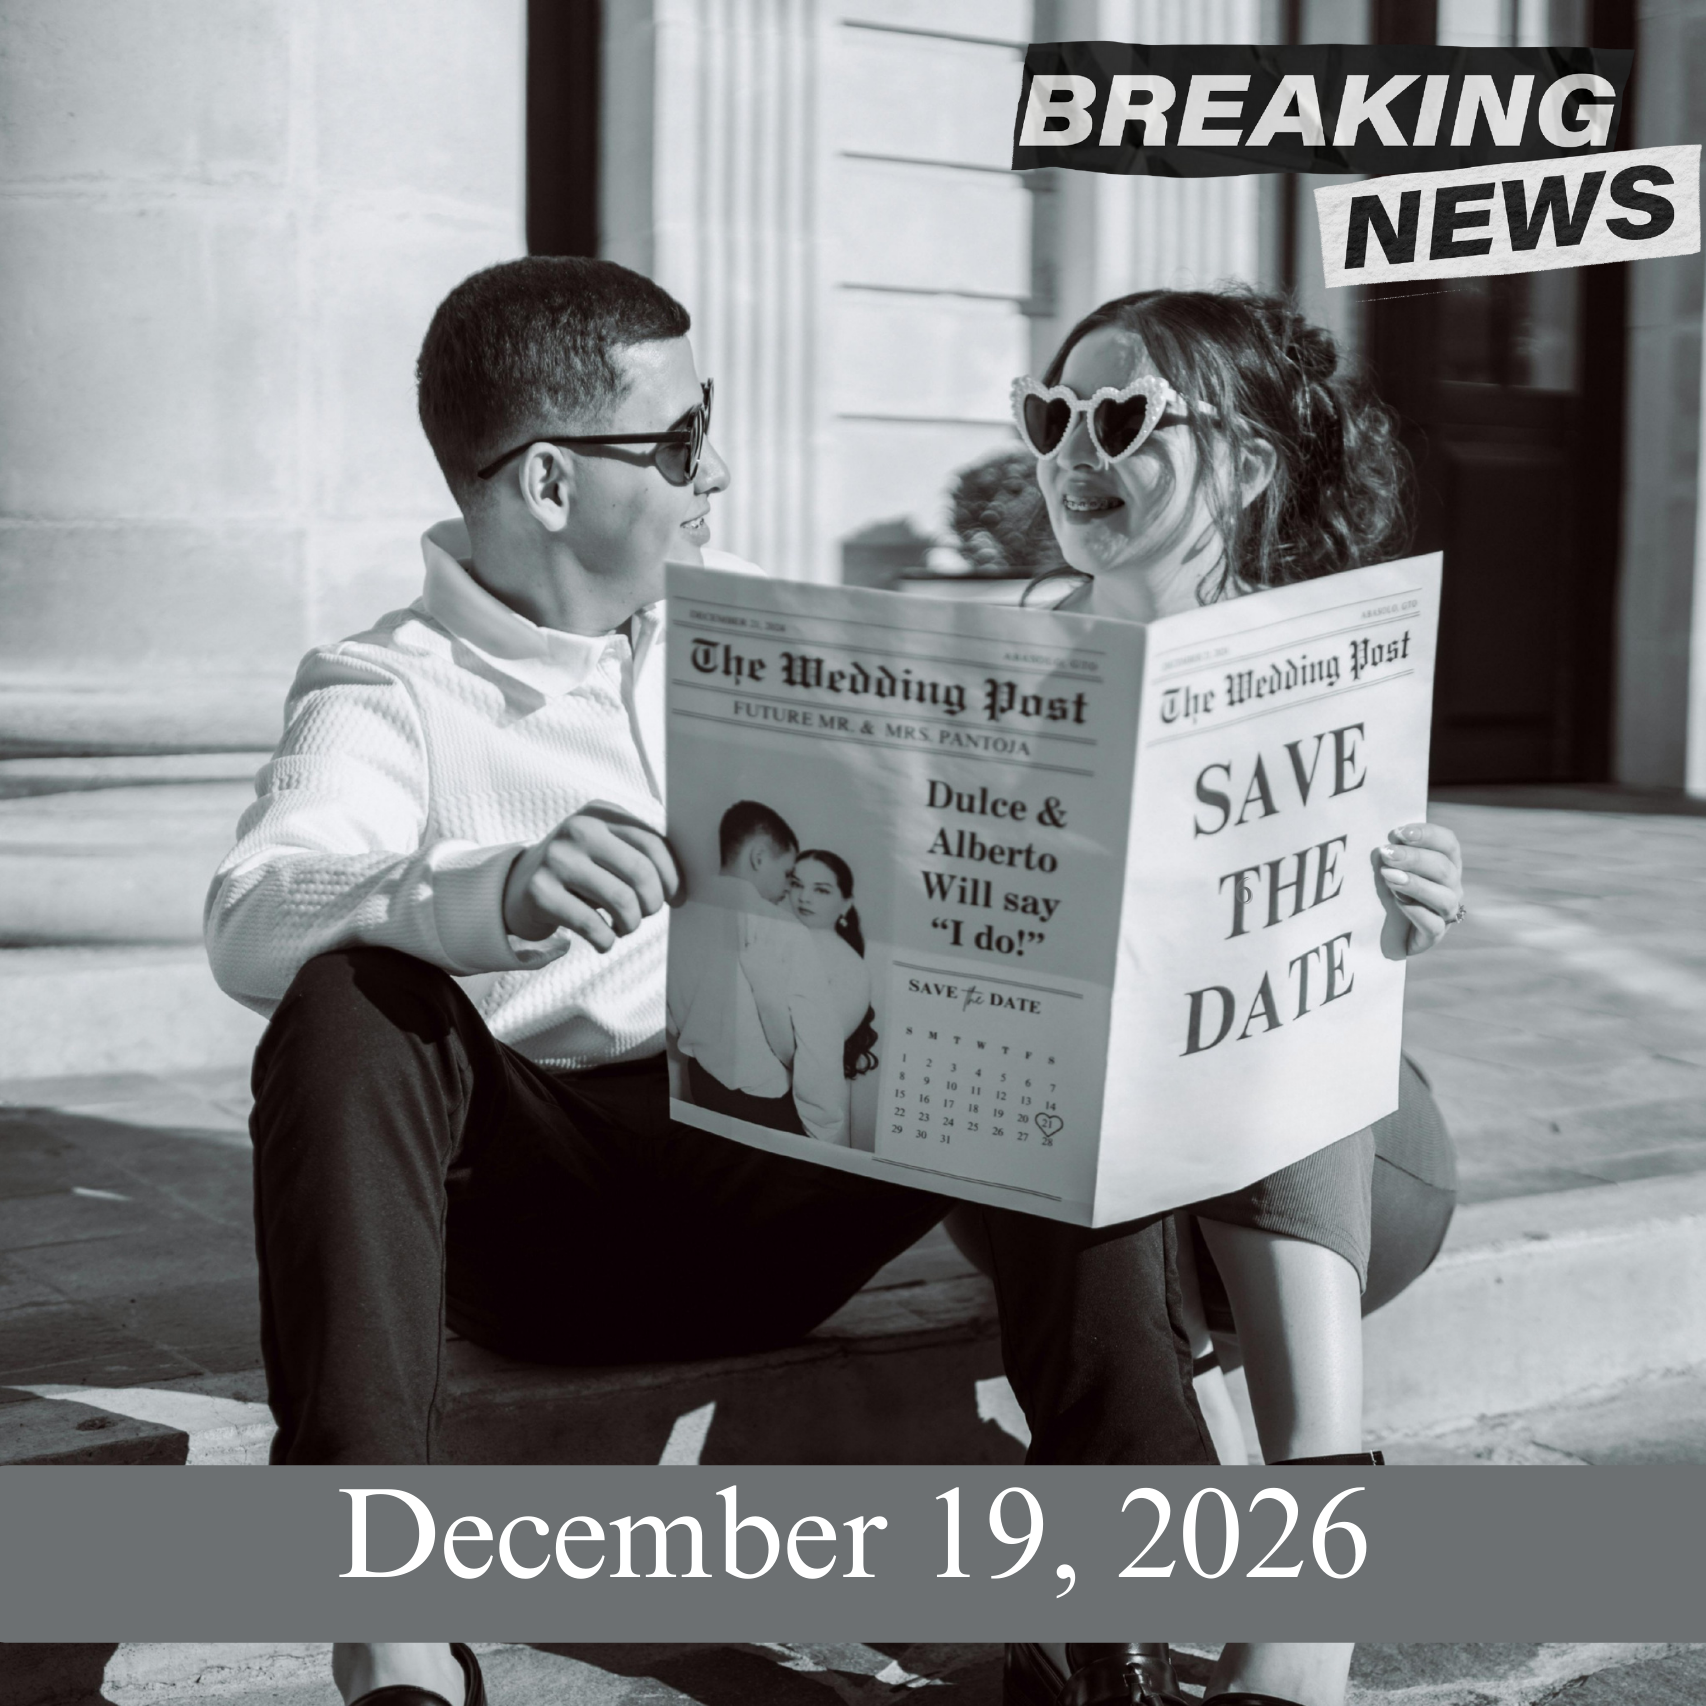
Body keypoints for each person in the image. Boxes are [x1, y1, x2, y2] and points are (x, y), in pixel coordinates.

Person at [205, 260, 1216, 1486]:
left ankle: (1125, 1562)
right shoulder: (389, 681)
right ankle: (378, 1605)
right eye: (682, 441)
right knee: (347, 1007)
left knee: (1034, 1002)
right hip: (548, 1239)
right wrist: (491, 886)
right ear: (549, 479)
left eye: (711, 420)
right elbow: (252, 913)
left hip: (783, 1186)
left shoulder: (754, 625)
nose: (718, 471)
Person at [668, 801, 849, 1142]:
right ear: (759, 856)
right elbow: (817, 1051)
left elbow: (671, 1022)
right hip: (771, 1110)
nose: (787, 890)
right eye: (787, 874)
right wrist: (823, 1129)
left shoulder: (676, 921)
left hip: (703, 1094)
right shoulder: (785, 930)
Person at [786, 847, 880, 1127]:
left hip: (801, 1108)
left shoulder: (850, 967)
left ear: (845, 904)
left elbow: (811, 1055)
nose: (804, 897)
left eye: (821, 890)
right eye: (797, 884)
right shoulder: (782, 942)